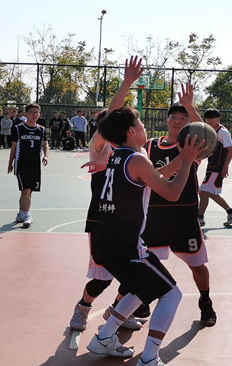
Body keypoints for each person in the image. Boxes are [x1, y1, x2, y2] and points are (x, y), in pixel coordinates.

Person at [86, 106, 202, 366]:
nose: (144, 127)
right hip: (127, 246)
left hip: (105, 242)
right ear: (131, 131)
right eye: (140, 123)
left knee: (143, 288)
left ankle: (104, 338)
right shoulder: (137, 160)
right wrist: (186, 161)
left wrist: (183, 158)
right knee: (172, 294)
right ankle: (150, 358)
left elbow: (156, 177)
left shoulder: (116, 156)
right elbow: (171, 192)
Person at [69, 56, 144, 333]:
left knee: (135, 272)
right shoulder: (102, 145)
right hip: (103, 218)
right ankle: (83, 307)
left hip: (132, 220)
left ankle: (117, 310)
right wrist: (126, 83)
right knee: (103, 277)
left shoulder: (137, 151)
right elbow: (111, 118)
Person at [141, 84, 217, 327]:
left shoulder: (193, 146)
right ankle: (141, 299)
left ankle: (205, 301)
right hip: (154, 213)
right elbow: (148, 177)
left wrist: (189, 106)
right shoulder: (150, 146)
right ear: (167, 120)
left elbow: (206, 133)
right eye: (174, 117)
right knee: (143, 262)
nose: (178, 121)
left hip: (183, 215)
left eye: (183, 118)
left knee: (197, 264)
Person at [7, 103, 49, 228]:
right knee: (26, 190)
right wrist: (10, 163)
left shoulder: (41, 129)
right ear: (26, 114)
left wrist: (46, 156)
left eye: (36, 112)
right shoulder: (18, 129)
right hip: (21, 164)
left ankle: (21, 213)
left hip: (35, 165)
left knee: (28, 191)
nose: (34, 115)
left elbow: (45, 144)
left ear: (39, 114)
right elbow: (13, 147)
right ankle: (27, 215)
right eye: (31, 112)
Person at [198, 109, 232, 227]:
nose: (209, 121)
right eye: (207, 118)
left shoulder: (222, 132)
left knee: (204, 191)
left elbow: (230, 149)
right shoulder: (211, 131)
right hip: (212, 165)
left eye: (212, 118)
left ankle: (200, 216)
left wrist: (225, 167)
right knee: (208, 192)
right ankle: (230, 212)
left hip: (217, 167)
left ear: (219, 119)